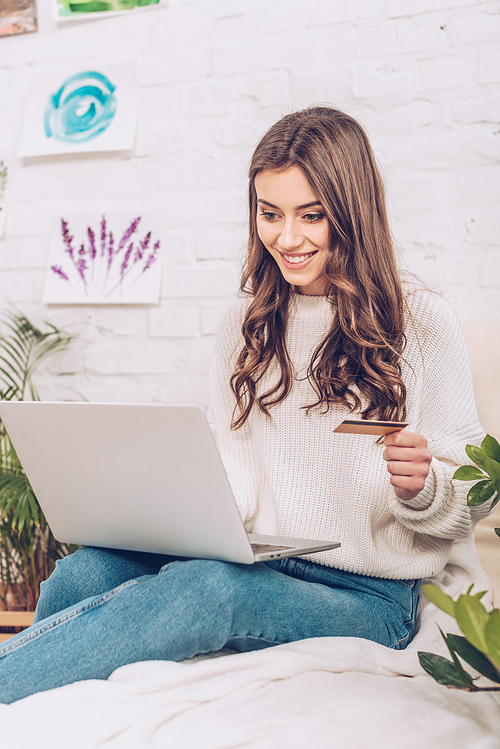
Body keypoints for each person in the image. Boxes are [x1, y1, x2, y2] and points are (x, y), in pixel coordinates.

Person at [0, 106, 491, 704]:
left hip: (371, 599)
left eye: (311, 215)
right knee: (83, 571)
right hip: (263, 560)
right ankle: (39, 715)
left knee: (210, 592)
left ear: (352, 211)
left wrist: (425, 490)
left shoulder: (422, 323)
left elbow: (474, 495)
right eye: (270, 214)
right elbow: (235, 472)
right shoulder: (246, 323)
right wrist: (171, 507)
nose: (287, 238)